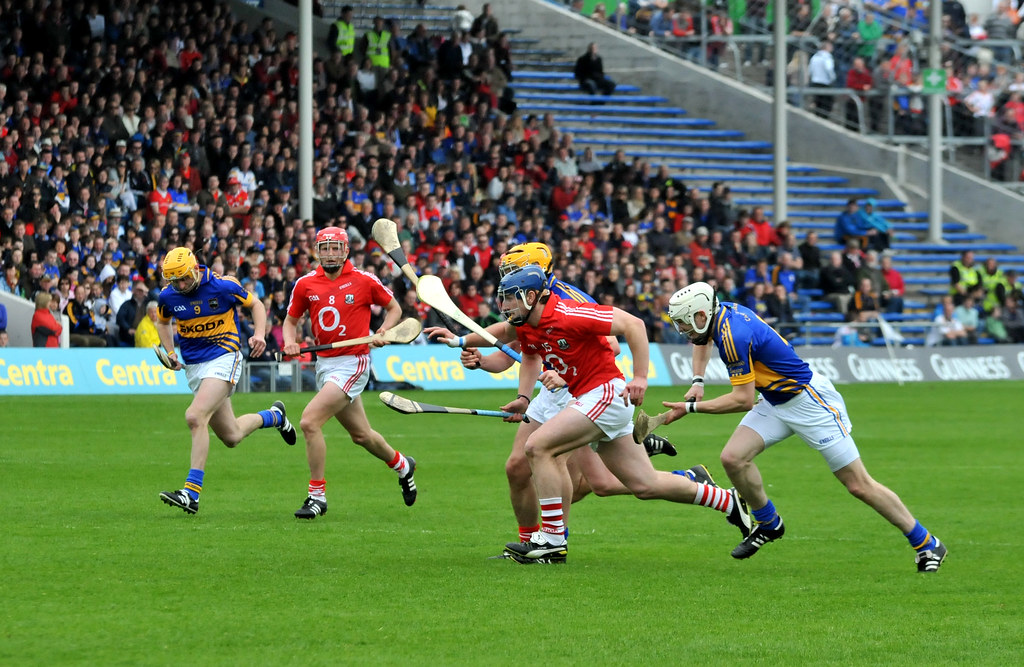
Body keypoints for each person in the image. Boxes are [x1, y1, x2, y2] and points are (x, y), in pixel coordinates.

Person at [448, 265, 752, 564]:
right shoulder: (528, 324)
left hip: (604, 394)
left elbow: (634, 325)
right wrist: (460, 340)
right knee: (645, 485)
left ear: (532, 296)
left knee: (538, 446)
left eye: (512, 297)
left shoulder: (569, 313)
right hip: (598, 400)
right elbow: (503, 333)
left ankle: (553, 541)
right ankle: (728, 500)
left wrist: (641, 377)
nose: (505, 305)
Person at [660, 282, 947, 573]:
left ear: (701, 314)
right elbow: (703, 342)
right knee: (733, 458)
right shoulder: (720, 315)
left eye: (685, 322)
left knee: (859, 484)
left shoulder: (733, 334)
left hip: (810, 403)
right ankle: (769, 523)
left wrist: (690, 408)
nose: (683, 329)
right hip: (776, 401)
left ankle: (926, 542)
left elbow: (742, 400)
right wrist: (698, 382)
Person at [426, 243, 692, 550]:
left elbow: (614, 345)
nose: (508, 283)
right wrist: (497, 375)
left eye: (513, 273)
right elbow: (525, 355)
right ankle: (533, 541)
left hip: (583, 390)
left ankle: (553, 542)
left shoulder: (568, 300)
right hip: (554, 393)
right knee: (518, 467)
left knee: (588, 479)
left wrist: (563, 374)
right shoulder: (525, 306)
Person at [281, 227, 417, 519]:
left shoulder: (364, 280)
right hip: (325, 365)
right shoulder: (305, 284)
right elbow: (290, 322)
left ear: (346, 251)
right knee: (362, 435)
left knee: (309, 422)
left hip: (353, 362)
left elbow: (393, 308)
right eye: (325, 248)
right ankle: (403, 465)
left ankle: (317, 496)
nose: (330, 253)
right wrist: (290, 342)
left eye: (335, 248)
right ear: (317, 251)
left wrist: (383, 331)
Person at [155, 247, 297, 515]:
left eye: (184, 279)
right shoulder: (168, 296)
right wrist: (171, 352)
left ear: (195, 269)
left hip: (224, 356)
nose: (181, 285)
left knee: (195, 416)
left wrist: (259, 334)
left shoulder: (222, 285)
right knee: (231, 435)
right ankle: (275, 416)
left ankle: (191, 493)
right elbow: (163, 323)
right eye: (175, 281)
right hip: (195, 367)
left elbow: (255, 304)